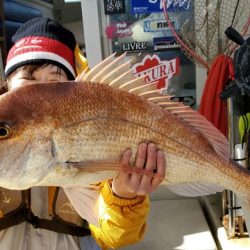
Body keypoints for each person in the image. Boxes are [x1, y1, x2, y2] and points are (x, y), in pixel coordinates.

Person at [0, 17, 166, 250]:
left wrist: (124, 195)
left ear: (71, 89)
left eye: (55, 83)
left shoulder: (96, 134)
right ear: (7, 86)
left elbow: (114, 238)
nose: (39, 92)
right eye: (28, 79)